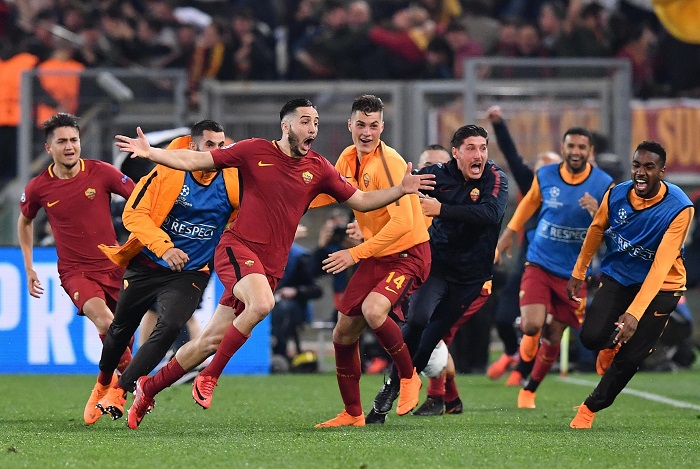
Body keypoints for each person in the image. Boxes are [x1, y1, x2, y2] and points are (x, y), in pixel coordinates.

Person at [113, 98, 435, 429]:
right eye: (305, 121)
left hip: (270, 266)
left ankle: (148, 388)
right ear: (286, 125)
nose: (312, 128)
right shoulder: (253, 151)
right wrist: (154, 153)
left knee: (208, 342)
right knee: (263, 303)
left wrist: (400, 190)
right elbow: (197, 158)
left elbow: (362, 200)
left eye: (316, 123)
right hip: (237, 248)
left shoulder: (320, 168)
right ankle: (209, 377)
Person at [91, 120, 240, 425]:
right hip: (147, 264)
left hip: (191, 272)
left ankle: (119, 391)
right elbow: (133, 213)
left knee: (170, 325)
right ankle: (103, 382)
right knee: (119, 330)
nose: (216, 151)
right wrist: (164, 247)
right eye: (209, 145)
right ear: (193, 147)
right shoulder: (167, 172)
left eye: (221, 145)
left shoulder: (234, 181)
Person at [368, 124, 509, 423]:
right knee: (418, 319)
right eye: (471, 148)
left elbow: (491, 214)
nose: (479, 155)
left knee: (433, 335)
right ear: (455, 152)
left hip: (471, 278)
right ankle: (403, 384)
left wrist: (441, 209)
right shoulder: (436, 175)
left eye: (483, 148)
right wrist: (371, 225)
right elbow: (401, 201)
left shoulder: (495, 178)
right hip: (437, 266)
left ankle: (394, 390)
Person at [313, 94, 432, 428]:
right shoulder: (348, 157)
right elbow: (334, 194)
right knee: (343, 334)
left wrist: (355, 251)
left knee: (373, 310)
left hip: (409, 253)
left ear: (383, 126)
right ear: (350, 125)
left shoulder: (391, 163)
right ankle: (353, 414)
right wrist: (292, 202)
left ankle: (409, 378)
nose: (367, 132)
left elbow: (404, 224)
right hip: (379, 253)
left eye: (374, 125)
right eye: (361, 125)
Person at [17, 112, 136, 424]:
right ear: (49, 148)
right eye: (62, 141)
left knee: (120, 337)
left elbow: (140, 198)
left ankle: (105, 387)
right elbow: (25, 221)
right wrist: (28, 267)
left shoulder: (101, 172)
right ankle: (137, 382)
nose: (70, 146)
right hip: (76, 273)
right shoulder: (39, 187)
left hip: (115, 267)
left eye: (74, 140)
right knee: (107, 323)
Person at [568, 140, 693, 429]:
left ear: (662, 171)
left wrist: (635, 313)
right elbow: (597, 228)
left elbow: (661, 266)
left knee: (633, 355)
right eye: (637, 165)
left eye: (649, 167)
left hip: (664, 285)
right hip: (621, 274)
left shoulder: (680, 208)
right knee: (590, 338)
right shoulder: (616, 195)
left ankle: (589, 409)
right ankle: (609, 345)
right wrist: (579, 271)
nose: (640, 172)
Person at [496, 127, 613, 409]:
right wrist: (509, 233)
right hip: (540, 260)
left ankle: (530, 389)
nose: (575, 152)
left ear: (590, 152)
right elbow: (529, 203)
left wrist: (598, 211)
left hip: (574, 273)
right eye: (571, 146)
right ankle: (528, 339)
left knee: (555, 335)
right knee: (534, 324)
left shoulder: (604, 183)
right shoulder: (546, 175)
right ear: (563, 148)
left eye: (581, 147)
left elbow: (612, 228)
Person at [485, 105, 561, 385]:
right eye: (542, 167)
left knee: (541, 326)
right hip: (527, 262)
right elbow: (513, 158)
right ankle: (511, 354)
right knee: (505, 317)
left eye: (552, 167)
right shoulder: (533, 185)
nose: (546, 173)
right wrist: (499, 125)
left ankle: (522, 370)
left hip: (559, 267)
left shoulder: (573, 192)